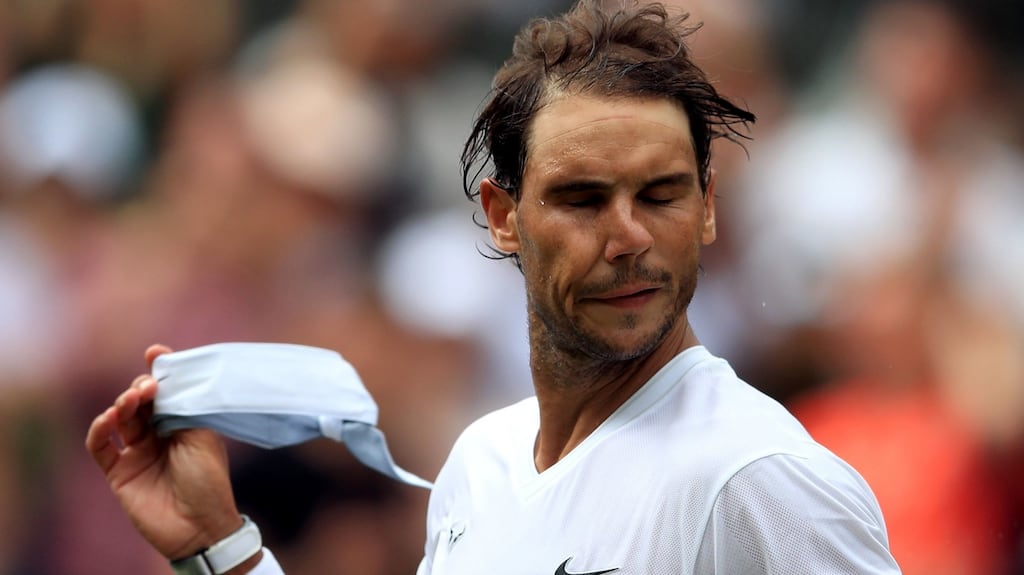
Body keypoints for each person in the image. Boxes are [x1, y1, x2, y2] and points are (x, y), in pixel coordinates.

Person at [85, 1, 901, 573]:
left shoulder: (758, 476)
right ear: (503, 216)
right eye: (583, 198)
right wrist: (220, 544)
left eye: (662, 194)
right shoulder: (482, 461)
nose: (630, 237)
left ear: (708, 208)